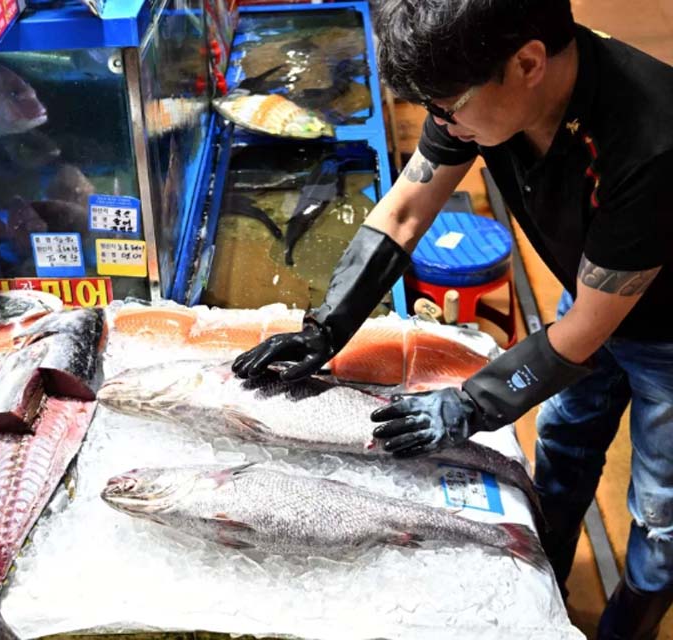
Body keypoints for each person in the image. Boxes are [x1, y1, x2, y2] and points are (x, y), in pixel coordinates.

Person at [231, 1, 673, 637]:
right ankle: (545, 569)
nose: (441, 124)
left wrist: (469, 403)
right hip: (595, 286)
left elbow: (584, 333)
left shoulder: (650, 144)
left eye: (448, 108)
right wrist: (323, 327)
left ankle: (631, 619)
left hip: (663, 324)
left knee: (661, 508)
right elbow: (407, 209)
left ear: (527, 63)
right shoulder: (478, 88)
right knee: (566, 435)